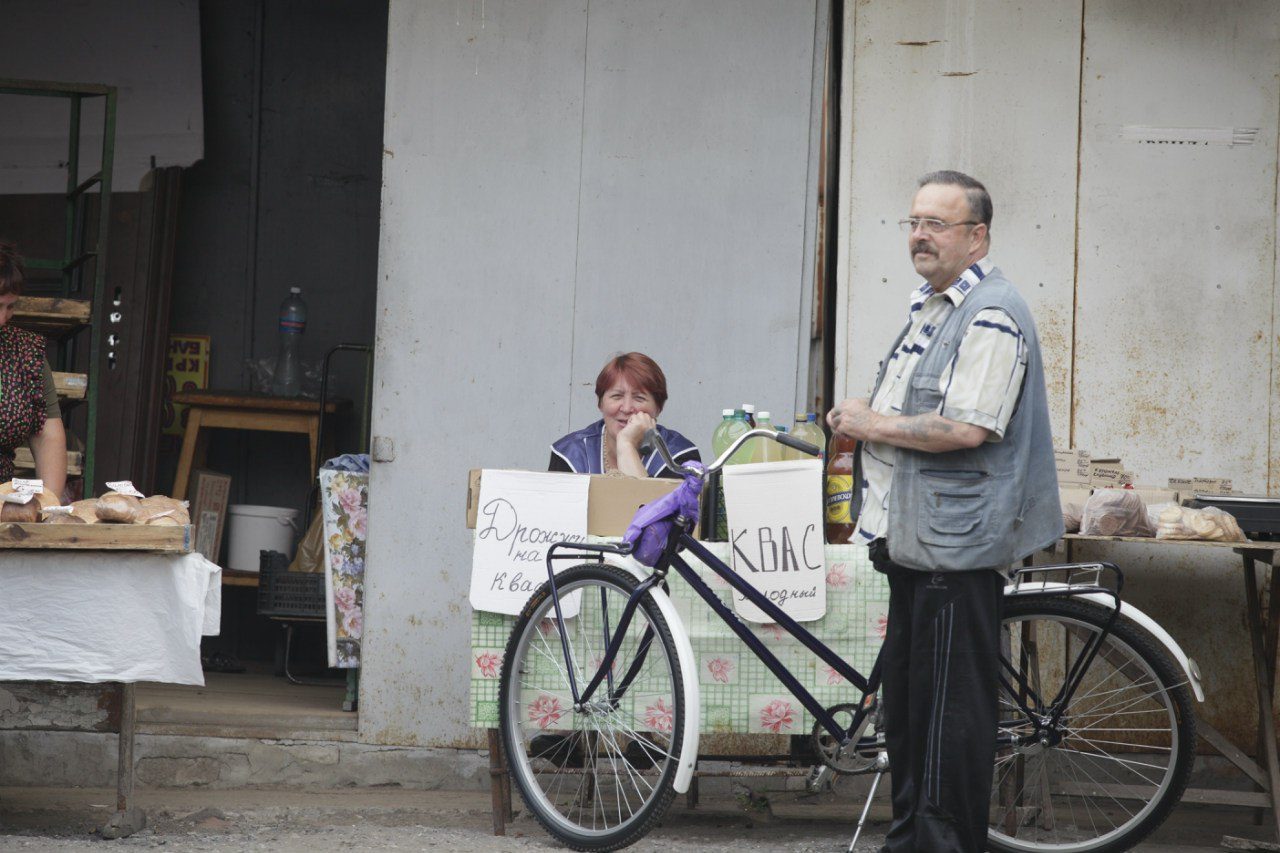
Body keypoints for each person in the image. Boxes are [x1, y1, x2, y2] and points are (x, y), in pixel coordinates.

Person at [827, 171, 1061, 853]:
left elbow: (965, 429)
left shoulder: (990, 311)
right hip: (916, 545)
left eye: (938, 223)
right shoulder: (933, 306)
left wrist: (871, 422)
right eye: (913, 222)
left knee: (943, 726)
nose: (921, 235)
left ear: (977, 235)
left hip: (954, 552)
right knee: (909, 718)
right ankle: (912, 841)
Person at [549, 352, 700, 478]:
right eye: (617, 396)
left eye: (639, 398)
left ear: (658, 408)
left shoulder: (679, 456)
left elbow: (647, 512)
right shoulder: (570, 453)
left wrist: (626, 445)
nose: (627, 408)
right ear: (600, 403)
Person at [0, 242, 67, 500]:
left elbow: (48, 436)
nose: (3, 319)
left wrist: (48, 506)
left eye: (9, 306)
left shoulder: (25, 353)